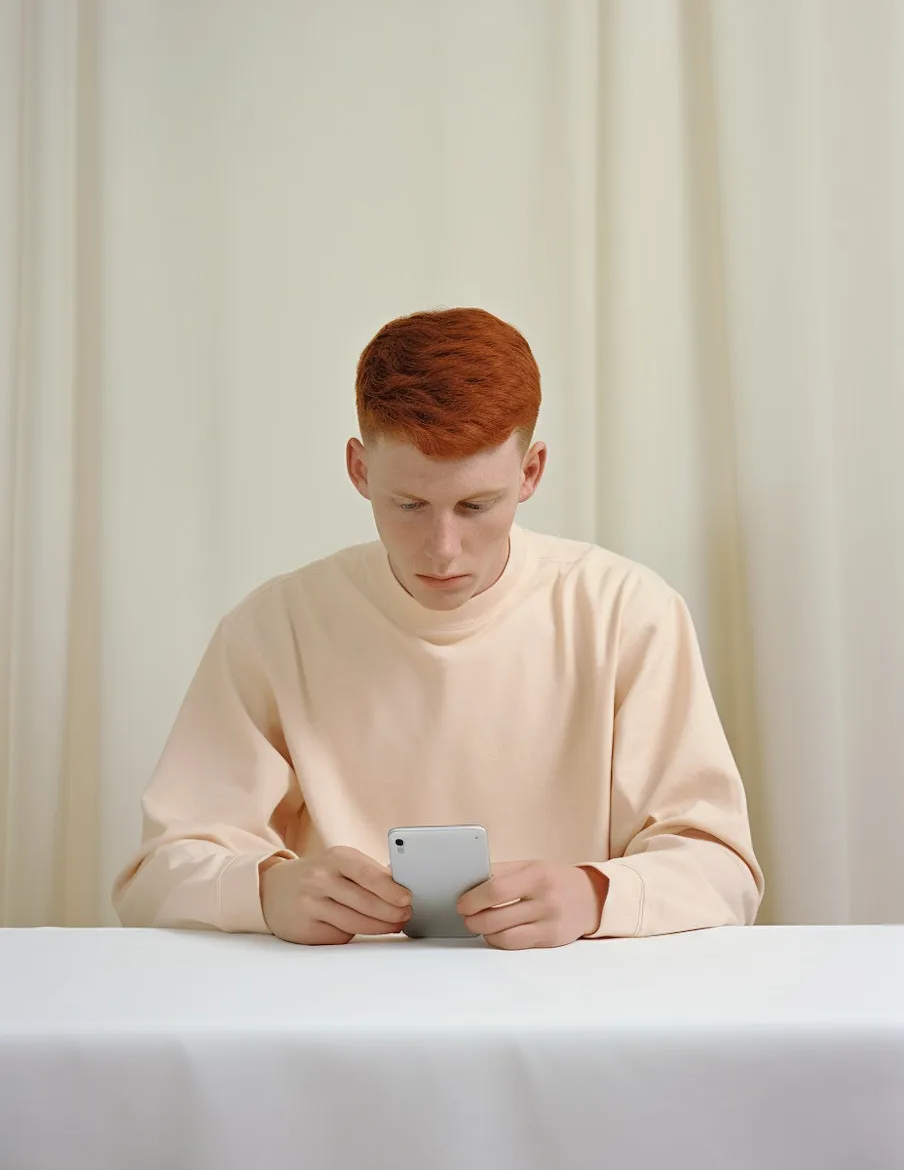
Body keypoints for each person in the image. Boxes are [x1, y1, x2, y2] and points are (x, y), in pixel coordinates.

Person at [113, 307, 764, 948]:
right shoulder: (274, 629)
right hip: (337, 1012)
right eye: (409, 505)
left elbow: (725, 872)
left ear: (530, 472)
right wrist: (265, 891)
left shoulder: (627, 613)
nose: (443, 548)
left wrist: (594, 896)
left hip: (572, 1012)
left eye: (476, 505)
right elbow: (154, 878)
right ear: (360, 470)